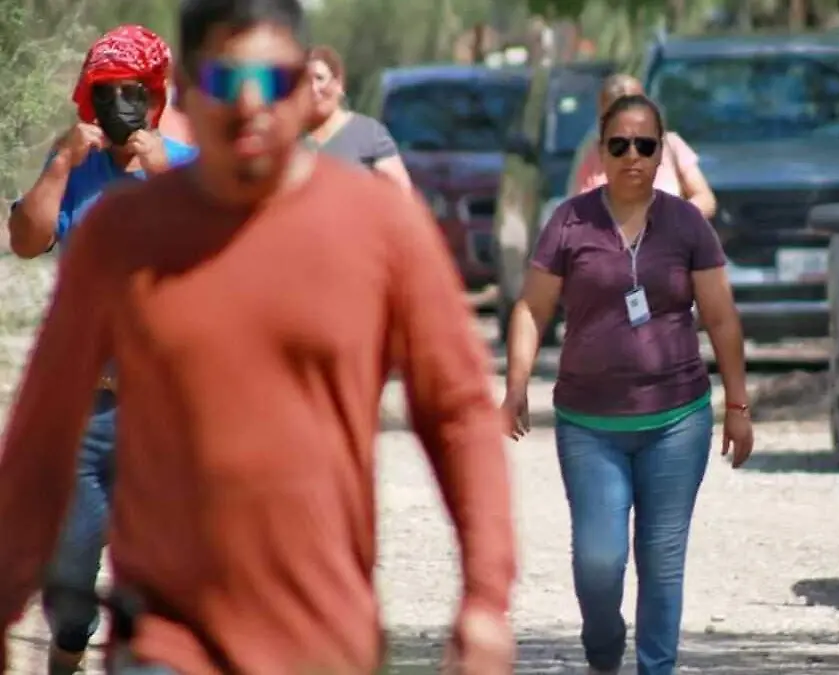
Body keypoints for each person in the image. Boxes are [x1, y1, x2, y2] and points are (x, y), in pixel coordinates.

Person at [0, 0, 515, 673]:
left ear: (304, 85)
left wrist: (484, 596)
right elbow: (43, 429)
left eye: (270, 81)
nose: (248, 103)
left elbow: (458, 414)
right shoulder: (117, 237)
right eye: (223, 80)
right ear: (185, 92)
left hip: (320, 636)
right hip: (166, 638)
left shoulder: (379, 228)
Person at [502, 93, 753, 675]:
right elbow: (531, 310)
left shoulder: (686, 223)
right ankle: (603, 647)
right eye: (620, 145)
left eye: (645, 144)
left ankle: (655, 668)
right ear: (601, 150)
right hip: (590, 425)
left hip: (677, 421)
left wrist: (737, 405)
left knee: (662, 564)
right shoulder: (569, 221)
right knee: (599, 562)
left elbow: (720, 317)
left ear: (661, 151)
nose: (632, 156)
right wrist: (515, 385)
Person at [5, 24, 197, 675]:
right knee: (71, 575)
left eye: (134, 94)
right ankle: (67, 653)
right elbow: (26, 240)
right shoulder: (76, 169)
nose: (121, 107)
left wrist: (166, 175)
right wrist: (60, 162)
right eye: (107, 93)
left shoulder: (187, 170)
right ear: (90, 97)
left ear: (155, 97)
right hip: (87, 409)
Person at [568, 74, 716, 218]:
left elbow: (706, 200)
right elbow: (575, 211)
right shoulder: (591, 152)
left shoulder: (671, 145)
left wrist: (673, 218)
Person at [307, 44, 412, 187]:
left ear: (339, 84)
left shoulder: (368, 133)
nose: (313, 88)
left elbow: (401, 195)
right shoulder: (290, 139)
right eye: (305, 82)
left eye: (320, 78)